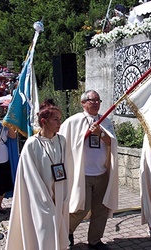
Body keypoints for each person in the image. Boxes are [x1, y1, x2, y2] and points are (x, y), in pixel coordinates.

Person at [59, 90, 118, 250]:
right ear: (83, 102)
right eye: (93, 100)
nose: (97, 103)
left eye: (98, 100)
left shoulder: (105, 121)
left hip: (101, 173)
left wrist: (100, 134)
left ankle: (95, 240)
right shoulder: (73, 122)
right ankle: (67, 231)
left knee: (101, 209)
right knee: (80, 208)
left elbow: (112, 142)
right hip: (81, 174)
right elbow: (63, 144)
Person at [6, 106, 69, 250]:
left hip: (58, 193)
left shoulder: (61, 140)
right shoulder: (32, 144)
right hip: (40, 196)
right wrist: (44, 197)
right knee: (44, 228)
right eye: (55, 120)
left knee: (58, 227)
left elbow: (65, 166)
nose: (59, 123)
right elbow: (30, 174)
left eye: (60, 119)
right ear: (44, 121)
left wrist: (64, 191)